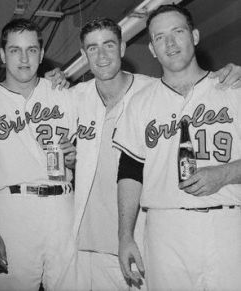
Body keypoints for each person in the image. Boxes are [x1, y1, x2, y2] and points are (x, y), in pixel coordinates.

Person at [46, 16, 241, 291]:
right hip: (108, 239)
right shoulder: (78, 97)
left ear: (124, 48)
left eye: (109, 46)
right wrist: (50, 80)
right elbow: (128, 168)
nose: (102, 56)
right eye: (92, 48)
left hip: (207, 225)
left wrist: (225, 173)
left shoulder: (158, 90)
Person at [113, 4, 241, 290]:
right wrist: (125, 236)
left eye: (177, 32)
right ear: (152, 49)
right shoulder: (140, 103)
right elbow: (129, 172)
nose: (169, 43)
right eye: (159, 37)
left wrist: (226, 173)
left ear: (194, 36)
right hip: (164, 230)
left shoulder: (234, 88)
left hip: (228, 224)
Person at [0, 18, 77, 291]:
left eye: (31, 49)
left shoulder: (65, 94)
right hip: (12, 210)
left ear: (42, 53)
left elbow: (86, 154)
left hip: (64, 207)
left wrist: (77, 158)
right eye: (14, 50)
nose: (24, 58)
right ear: (2, 54)